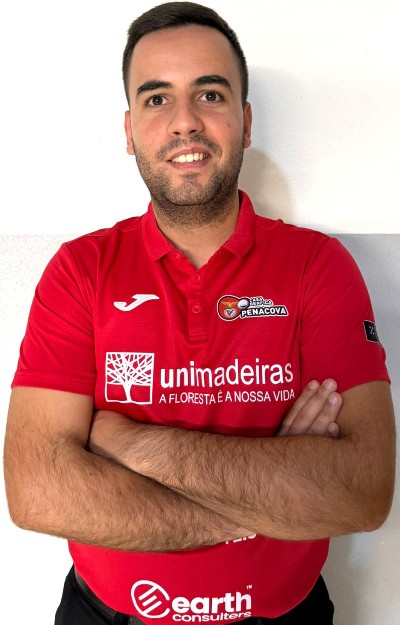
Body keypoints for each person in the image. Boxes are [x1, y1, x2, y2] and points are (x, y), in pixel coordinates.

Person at [3, 2, 395, 624]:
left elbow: (363, 492)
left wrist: (125, 442)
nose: (185, 121)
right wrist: (276, 494)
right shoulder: (80, 270)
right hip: (105, 616)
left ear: (245, 121)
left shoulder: (317, 266)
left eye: (210, 94)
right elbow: (37, 493)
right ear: (130, 130)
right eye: (157, 99)